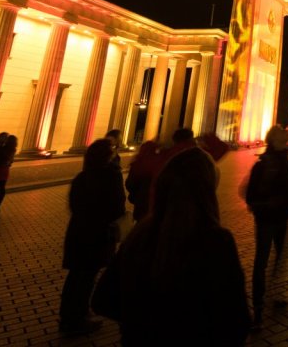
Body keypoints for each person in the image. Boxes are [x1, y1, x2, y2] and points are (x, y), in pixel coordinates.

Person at [92, 146, 251, 345]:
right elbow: (236, 323)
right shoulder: (216, 242)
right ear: (207, 190)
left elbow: (102, 300)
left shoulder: (140, 234)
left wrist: (139, 323)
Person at [59, 139, 126, 335]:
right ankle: (79, 319)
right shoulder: (111, 176)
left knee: (76, 277)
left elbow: (74, 206)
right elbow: (117, 207)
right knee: (87, 278)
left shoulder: (82, 177)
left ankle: (68, 316)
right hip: (99, 235)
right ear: (108, 155)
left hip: (78, 232)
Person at [244, 125, 288, 328]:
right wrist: (281, 208)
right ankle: (265, 299)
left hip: (269, 219)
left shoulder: (267, 162)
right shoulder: (275, 163)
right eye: (283, 133)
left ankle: (265, 300)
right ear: (275, 140)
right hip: (275, 219)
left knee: (266, 260)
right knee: (271, 259)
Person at [125, 141, 161, 222]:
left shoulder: (137, 164)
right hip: (155, 203)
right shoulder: (160, 164)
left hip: (140, 202)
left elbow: (130, 184)